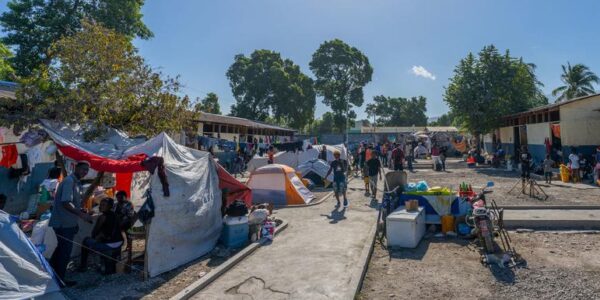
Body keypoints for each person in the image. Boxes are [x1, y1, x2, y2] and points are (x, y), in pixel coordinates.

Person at [49, 162, 93, 287]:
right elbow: (66, 203)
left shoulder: (76, 182)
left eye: (87, 170)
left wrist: (81, 211)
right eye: (83, 169)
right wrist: (81, 215)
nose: (85, 172)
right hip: (63, 223)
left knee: (60, 250)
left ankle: (51, 274)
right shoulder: (69, 181)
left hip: (67, 222)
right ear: (76, 168)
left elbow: (72, 203)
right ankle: (60, 281)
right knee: (65, 252)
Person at [78, 198, 124, 275]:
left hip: (110, 244)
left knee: (86, 241)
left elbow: (94, 233)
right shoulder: (115, 215)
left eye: (103, 205)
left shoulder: (102, 217)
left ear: (109, 206)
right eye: (100, 205)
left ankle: (83, 266)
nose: (100, 207)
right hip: (119, 242)